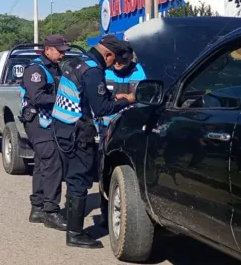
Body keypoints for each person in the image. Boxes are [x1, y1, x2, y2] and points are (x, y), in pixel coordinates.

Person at [51, 34, 135, 249]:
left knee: (73, 178)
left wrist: (109, 99)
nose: (114, 65)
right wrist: (127, 100)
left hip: (63, 127)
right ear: (107, 53)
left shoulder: (78, 62)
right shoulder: (94, 71)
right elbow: (102, 110)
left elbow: (85, 96)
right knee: (79, 180)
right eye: (113, 59)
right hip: (78, 131)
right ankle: (75, 234)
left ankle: (73, 228)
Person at [20, 34, 68, 231]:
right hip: (38, 122)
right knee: (53, 163)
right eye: (59, 50)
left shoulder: (53, 67)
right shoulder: (36, 69)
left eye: (64, 50)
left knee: (41, 164)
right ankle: (51, 211)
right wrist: (64, 97)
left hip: (47, 122)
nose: (62, 54)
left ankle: (38, 208)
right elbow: (38, 98)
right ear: (48, 50)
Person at [96, 45, 146, 228]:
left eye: (122, 61)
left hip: (133, 128)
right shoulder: (103, 72)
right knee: (104, 170)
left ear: (130, 58)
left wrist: (132, 96)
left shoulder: (141, 71)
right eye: (115, 59)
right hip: (107, 128)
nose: (117, 64)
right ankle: (105, 210)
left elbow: (148, 93)